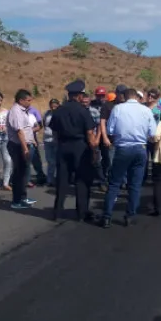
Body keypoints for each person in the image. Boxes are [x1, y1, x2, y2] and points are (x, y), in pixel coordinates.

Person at [99, 87, 156, 228]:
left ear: (124, 97)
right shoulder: (146, 110)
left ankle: (106, 216)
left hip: (123, 148)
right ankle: (130, 215)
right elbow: (153, 133)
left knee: (114, 183)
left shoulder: (118, 109)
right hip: (140, 148)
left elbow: (111, 129)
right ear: (137, 97)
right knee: (135, 185)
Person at [50, 81, 99, 221]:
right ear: (78, 96)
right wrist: (94, 149)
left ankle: (57, 212)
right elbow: (90, 133)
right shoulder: (83, 111)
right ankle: (81, 213)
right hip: (80, 147)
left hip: (63, 146)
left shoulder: (59, 110)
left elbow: (54, 132)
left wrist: (58, 146)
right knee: (81, 180)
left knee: (62, 180)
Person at [5, 89, 37, 209]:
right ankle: (16, 201)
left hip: (24, 144)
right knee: (19, 174)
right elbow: (19, 131)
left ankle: (23, 197)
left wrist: (31, 140)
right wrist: (25, 148)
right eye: (28, 100)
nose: (30, 102)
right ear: (21, 100)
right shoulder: (16, 111)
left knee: (24, 173)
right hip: (18, 146)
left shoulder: (23, 111)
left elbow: (27, 128)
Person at [43, 98, 61, 187]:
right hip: (47, 140)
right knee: (50, 161)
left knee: (58, 161)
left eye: (55, 104)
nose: (53, 105)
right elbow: (44, 124)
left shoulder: (60, 114)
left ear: (58, 105)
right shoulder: (47, 113)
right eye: (51, 104)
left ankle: (59, 179)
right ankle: (50, 180)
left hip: (56, 140)